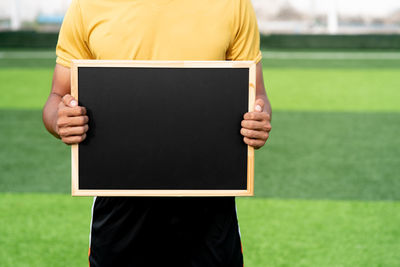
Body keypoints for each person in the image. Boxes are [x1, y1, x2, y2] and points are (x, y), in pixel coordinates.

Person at [43, 0, 272, 266]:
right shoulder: (87, 5)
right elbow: (57, 97)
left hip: (209, 205)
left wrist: (258, 120)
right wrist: (61, 121)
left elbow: (257, 96)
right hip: (119, 202)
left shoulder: (233, 3)